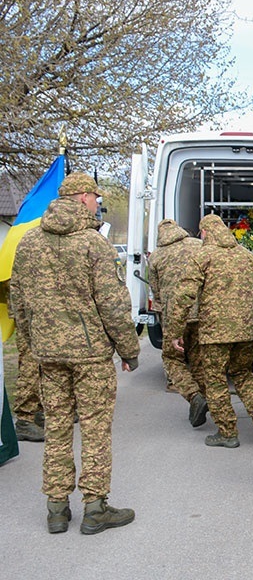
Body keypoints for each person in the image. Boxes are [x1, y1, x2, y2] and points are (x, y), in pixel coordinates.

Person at [9, 172, 139, 535]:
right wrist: (129, 349)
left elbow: (18, 299)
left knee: (57, 427)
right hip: (90, 356)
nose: (98, 203)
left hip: (48, 355)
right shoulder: (93, 243)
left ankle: (56, 508)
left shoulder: (29, 241)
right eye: (96, 197)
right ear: (82, 197)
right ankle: (95, 508)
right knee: (95, 429)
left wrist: (33, 342)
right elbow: (113, 304)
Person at [167, 214, 253, 448]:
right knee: (243, 373)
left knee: (215, 379)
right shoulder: (247, 256)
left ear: (204, 232)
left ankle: (227, 432)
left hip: (214, 332)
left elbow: (184, 296)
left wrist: (175, 330)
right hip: (245, 330)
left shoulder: (203, 256)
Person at [147, 219, 209, 427]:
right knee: (198, 358)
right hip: (200, 312)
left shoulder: (156, 256)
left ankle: (194, 396)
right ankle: (203, 399)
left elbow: (156, 292)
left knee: (172, 358)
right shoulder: (198, 245)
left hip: (174, 316)